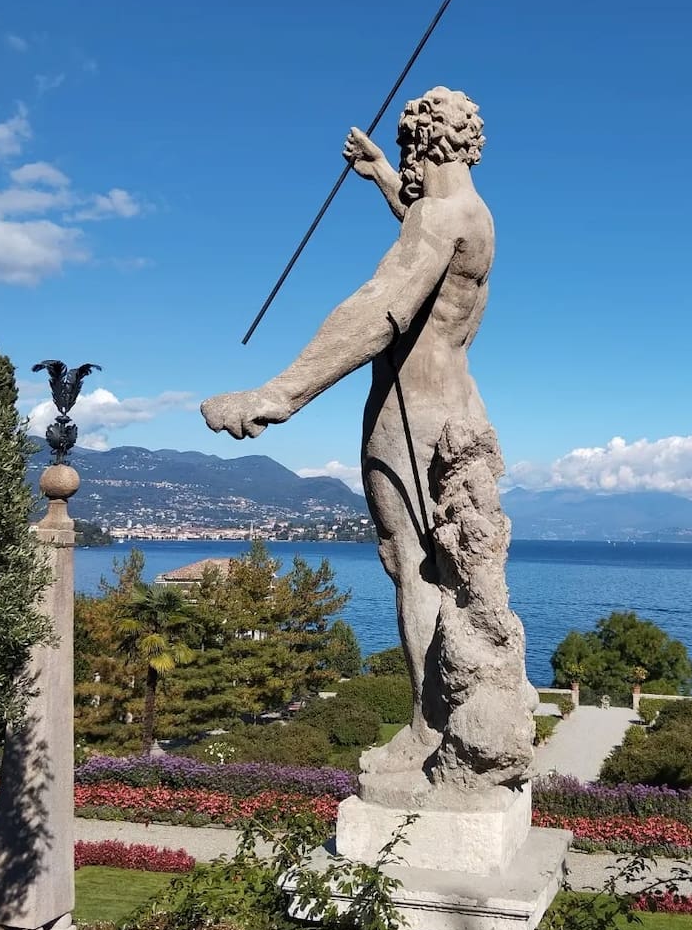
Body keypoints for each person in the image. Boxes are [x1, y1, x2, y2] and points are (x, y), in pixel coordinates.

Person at [202, 86, 522, 778]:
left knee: (414, 567)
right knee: (457, 570)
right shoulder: (473, 213)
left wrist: (276, 394)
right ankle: (475, 705)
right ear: (466, 142)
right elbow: (425, 236)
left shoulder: (439, 217)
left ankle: (429, 728)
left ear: (420, 145)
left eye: (404, 155)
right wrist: (380, 176)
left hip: (410, 415)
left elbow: (379, 310)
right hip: (460, 409)